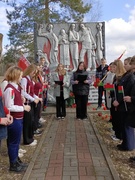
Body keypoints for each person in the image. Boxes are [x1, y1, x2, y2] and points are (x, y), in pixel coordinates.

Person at [3, 66, 30, 172]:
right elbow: (9, 106)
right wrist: (23, 107)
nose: (21, 78)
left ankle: (16, 160)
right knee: (13, 143)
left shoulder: (15, 88)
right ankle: (13, 164)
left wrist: (21, 101)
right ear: (15, 75)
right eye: (20, 75)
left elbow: (15, 101)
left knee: (16, 141)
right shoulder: (10, 89)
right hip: (14, 120)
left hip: (18, 118)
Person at [113, 57, 135, 151]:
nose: (125, 66)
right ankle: (125, 143)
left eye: (127, 64)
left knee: (127, 125)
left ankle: (129, 145)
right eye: (125, 64)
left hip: (126, 104)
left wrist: (120, 100)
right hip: (123, 102)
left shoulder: (130, 76)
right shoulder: (126, 75)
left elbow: (126, 90)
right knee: (123, 124)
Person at [21, 64, 40, 144]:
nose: (34, 74)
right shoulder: (24, 79)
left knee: (31, 121)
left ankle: (30, 137)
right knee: (27, 122)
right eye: (33, 72)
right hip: (27, 103)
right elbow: (23, 92)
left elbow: (31, 93)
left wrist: (36, 97)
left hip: (30, 102)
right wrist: (33, 99)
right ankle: (27, 140)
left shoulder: (30, 80)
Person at [110, 59, 126, 141]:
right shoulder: (115, 77)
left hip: (119, 101)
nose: (113, 68)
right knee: (116, 118)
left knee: (119, 119)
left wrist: (118, 100)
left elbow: (121, 91)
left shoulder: (121, 78)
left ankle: (119, 135)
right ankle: (117, 132)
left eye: (114, 67)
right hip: (114, 99)